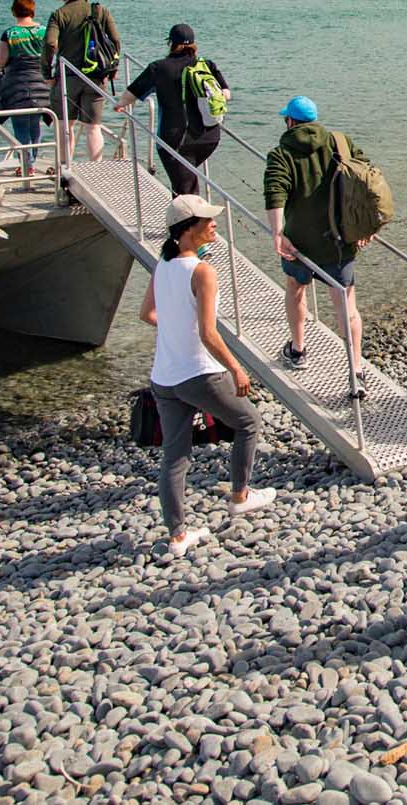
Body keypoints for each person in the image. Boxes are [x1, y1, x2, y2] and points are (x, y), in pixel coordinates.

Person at [139, 193, 275, 558]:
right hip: (198, 374)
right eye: (207, 220)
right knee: (248, 422)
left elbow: (147, 314)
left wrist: (174, 329)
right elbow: (209, 334)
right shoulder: (202, 271)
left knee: (175, 455)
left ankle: (178, 536)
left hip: (164, 378)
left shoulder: (163, 265)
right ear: (187, 229)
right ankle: (240, 496)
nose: (214, 224)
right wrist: (235, 367)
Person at [264, 96, 367, 372]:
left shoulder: (281, 154)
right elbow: (367, 178)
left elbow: (275, 193)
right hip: (340, 238)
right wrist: (366, 226)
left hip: (299, 242)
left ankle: (298, 351)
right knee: (346, 304)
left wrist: (277, 233)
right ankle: (356, 370)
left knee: (296, 289)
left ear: (290, 121)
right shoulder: (340, 142)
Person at [115, 24, 229, 195]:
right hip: (209, 137)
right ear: (194, 44)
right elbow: (226, 94)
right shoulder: (207, 65)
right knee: (187, 181)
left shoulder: (158, 68)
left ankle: (190, 219)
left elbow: (128, 97)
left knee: (184, 191)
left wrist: (119, 104)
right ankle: (192, 217)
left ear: (171, 44)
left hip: (176, 141)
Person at [42, 0, 121, 166]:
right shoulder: (100, 11)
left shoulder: (59, 15)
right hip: (96, 76)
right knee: (93, 128)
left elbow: (50, 43)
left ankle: (65, 168)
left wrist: (46, 73)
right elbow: (116, 41)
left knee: (64, 126)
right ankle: (96, 168)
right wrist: (113, 66)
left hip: (67, 77)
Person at [0, 0, 51, 174]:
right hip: (41, 81)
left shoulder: (10, 33)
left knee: (20, 124)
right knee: (35, 124)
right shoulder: (44, 31)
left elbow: (1, 62)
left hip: (17, 83)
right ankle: (32, 161)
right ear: (32, 10)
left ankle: (25, 163)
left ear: (14, 11)